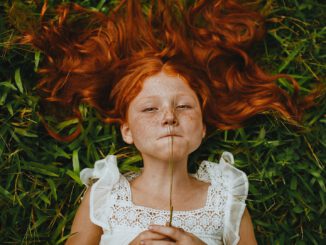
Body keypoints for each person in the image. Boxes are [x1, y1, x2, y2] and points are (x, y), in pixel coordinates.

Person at [19, 0, 315, 244]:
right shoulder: (107, 194)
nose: (169, 117)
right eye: (149, 109)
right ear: (127, 130)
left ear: (202, 129)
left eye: (184, 106)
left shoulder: (224, 200)